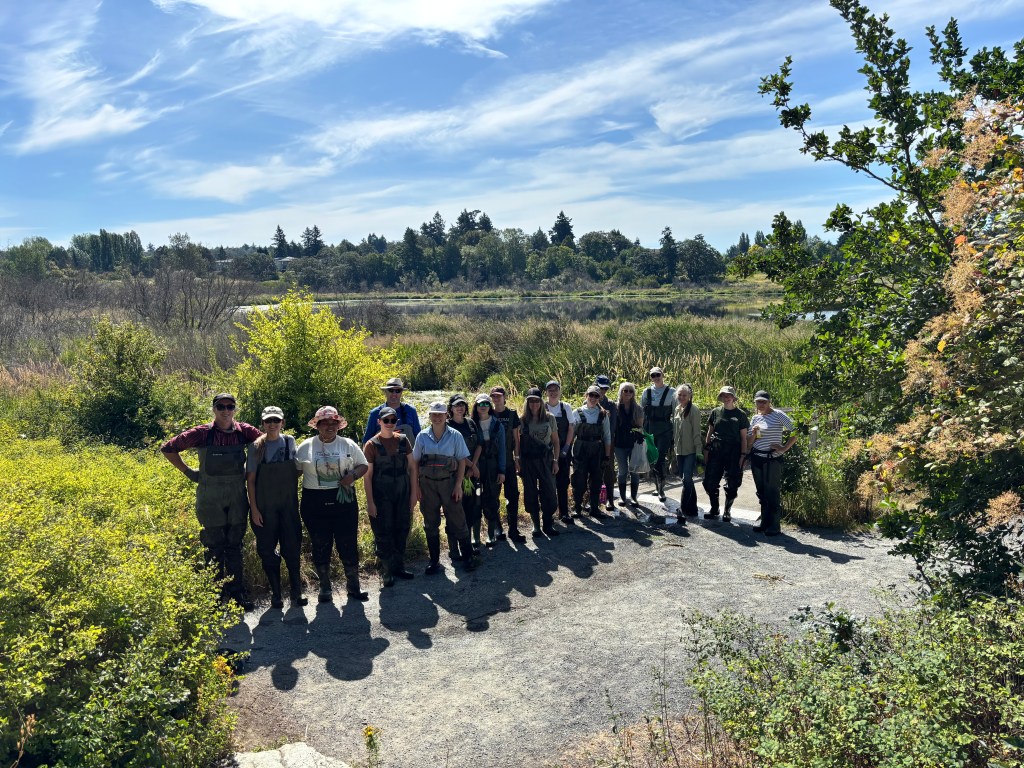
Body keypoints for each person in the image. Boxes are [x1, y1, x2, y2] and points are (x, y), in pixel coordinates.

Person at [162, 392, 261, 610]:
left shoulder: (244, 431)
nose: (226, 411)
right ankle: (214, 597)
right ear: (214, 409)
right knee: (214, 546)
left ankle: (237, 595)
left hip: (237, 495)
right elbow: (168, 448)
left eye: (230, 406)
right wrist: (188, 472)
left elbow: (266, 443)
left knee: (235, 545)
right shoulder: (202, 433)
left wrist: (253, 470)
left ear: (235, 409)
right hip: (209, 497)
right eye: (221, 407)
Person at [296, 406, 369, 602]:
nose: (329, 426)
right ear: (317, 425)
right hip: (314, 502)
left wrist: (352, 476)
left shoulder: (348, 444)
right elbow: (294, 472)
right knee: (320, 544)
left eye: (333, 423)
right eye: (325, 423)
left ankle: (353, 587)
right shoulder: (305, 447)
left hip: (344, 501)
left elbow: (364, 465)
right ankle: (324, 588)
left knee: (348, 543)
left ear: (339, 425)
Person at [245, 405, 306, 608]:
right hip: (264, 509)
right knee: (267, 552)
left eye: (276, 420)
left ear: (282, 423)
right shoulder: (255, 447)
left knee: (292, 549)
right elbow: (251, 481)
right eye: (268, 421)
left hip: (288, 507)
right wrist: (254, 509)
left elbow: (297, 470)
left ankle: (296, 593)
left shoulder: (290, 442)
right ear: (262, 423)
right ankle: (276, 594)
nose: (272, 424)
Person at [413, 401, 474, 574]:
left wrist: (458, 486)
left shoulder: (455, 435)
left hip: (449, 483)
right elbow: (415, 463)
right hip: (427, 486)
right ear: (430, 416)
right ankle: (434, 561)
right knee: (430, 523)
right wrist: (416, 486)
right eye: (434, 414)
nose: (437, 417)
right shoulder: (422, 436)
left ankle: (468, 557)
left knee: (458, 520)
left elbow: (462, 461)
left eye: (440, 414)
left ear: (446, 415)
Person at [363, 406, 418, 587]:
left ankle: (398, 566)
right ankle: (386, 570)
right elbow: (368, 476)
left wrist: (414, 494)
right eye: (386, 420)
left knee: (402, 528)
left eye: (393, 420)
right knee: (383, 531)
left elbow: (412, 468)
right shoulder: (371, 445)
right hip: (381, 494)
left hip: (402, 492)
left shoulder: (403, 441)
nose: (389, 424)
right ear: (379, 422)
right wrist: (370, 502)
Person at [746, 391, 797, 536]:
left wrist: (784, 448)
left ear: (769, 402)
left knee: (772, 492)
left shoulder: (778, 415)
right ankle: (764, 522)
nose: (761, 404)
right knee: (761, 492)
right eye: (758, 402)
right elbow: (750, 442)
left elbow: (796, 431)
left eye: (764, 402)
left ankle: (774, 526)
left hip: (772, 459)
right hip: (757, 458)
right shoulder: (755, 417)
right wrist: (754, 435)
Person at [518, 387, 561, 538]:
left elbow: (556, 442)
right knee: (530, 492)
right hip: (528, 461)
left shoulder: (550, 418)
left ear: (541, 402)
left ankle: (548, 524)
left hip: (546, 460)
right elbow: (517, 444)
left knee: (549, 492)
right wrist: (518, 462)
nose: (534, 404)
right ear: (527, 403)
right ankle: (536, 526)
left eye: (537, 401)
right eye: (531, 401)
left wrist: (555, 461)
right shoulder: (522, 421)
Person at [702, 386, 750, 522]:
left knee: (732, 483)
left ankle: (727, 511)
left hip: (733, 452)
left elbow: (744, 438)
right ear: (721, 397)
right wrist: (706, 449)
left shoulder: (740, 415)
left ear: (733, 397)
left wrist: (743, 455)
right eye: (724, 395)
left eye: (729, 395)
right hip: (716, 450)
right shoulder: (715, 412)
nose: (726, 397)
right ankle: (714, 508)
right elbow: (710, 432)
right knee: (709, 482)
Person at [489, 385, 526, 543]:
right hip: (492, 461)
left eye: (499, 396)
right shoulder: (487, 413)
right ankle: (497, 528)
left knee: (513, 495)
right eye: (494, 396)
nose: (496, 399)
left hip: (509, 460)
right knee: (493, 495)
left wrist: (517, 458)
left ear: (505, 397)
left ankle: (513, 529)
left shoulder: (511, 415)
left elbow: (516, 438)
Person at [471, 393, 507, 546]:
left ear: (490, 406)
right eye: (480, 404)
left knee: (492, 499)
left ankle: (491, 534)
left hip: (492, 467)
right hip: (477, 466)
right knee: (475, 499)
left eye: (486, 404)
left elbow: (502, 450)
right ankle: (476, 537)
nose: (483, 407)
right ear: (476, 407)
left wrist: (502, 470)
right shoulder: (471, 424)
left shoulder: (498, 425)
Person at [447, 394, 481, 554]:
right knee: (454, 510)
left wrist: (473, 467)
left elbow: (480, 445)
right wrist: (470, 467)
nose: (460, 408)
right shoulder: (448, 426)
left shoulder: (471, 423)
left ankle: (468, 544)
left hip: (472, 475)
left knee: (471, 507)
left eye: (462, 405)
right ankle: (454, 549)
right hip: (456, 476)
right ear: (451, 409)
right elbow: (455, 452)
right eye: (456, 405)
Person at [572, 385, 613, 519]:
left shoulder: (603, 414)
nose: (593, 398)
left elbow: (607, 436)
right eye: (591, 395)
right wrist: (568, 452)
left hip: (597, 450)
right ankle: (577, 508)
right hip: (580, 449)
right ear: (586, 395)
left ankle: (594, 508)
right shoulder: (576, 412)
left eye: (596, 396)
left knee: (596, 480)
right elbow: (571, 435)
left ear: (599, 398)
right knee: (579, 479)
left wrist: (607, 456)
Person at [545, 380, 577, 525]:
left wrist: (567, 447)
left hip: (563, 451)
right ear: (546, 392)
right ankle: (548, 514)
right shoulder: (541, 407)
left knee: (563, 482)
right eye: (550, 390)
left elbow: (571, 428)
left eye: (555, 389)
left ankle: (564, 513)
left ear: (559, 391)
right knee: (546, 483)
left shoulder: (566, 407)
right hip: (545, 452)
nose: (553, 392)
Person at [641, 367, 676, 502]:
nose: (656, 377)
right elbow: (642, 412)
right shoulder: (646, 392)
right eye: (653, 375)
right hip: (649, 429)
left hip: (665, 430)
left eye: (658, 374)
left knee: (660, 458)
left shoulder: (672, 392)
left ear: (663, 375)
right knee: (652, 459)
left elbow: (676, 412)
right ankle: (657, 487)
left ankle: (661, 490)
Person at [671, 385, 702, 523]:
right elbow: (676, 433)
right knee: (686, 479)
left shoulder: (694, 410)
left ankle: (683, 509)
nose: (682, 397)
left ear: (689, 396)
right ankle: (692, 508)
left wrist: (699, 452)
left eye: (685, 395)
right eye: (680, 395)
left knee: (686, 479)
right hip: (680, 451)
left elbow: (696, 432)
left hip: (690, 451)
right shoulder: (677, 409)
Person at [613, 382, 645, 506]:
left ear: (633, 394)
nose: (627, 393)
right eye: (625, 391)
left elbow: (640, 427)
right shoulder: (615, 408)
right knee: (622, 471)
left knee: (634, 471)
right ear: (621, 392)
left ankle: (633, 497)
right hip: (619, 444)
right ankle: (622, 497)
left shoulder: (638, 409)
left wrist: (638, 434)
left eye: (630, 391)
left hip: (633, 444)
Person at [363, 377, 421, 445]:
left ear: (401, 393)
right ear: (385, 392)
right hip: (381, 455)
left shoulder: (411, 411)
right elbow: (366, 442)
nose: (394, 394)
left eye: (397, 391)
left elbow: (419, 440)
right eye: (391, 390)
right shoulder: (375, 413)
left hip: (408, 455)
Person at [595, 375, 618, 510]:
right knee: (592, 470)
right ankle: (593, 500)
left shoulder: (611, 405)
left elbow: (613, 426)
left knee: (608, 470)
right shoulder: (589, 401)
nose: (603, 390)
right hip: (591, 442)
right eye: (600, 387)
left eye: (605, 388)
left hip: (607, 442)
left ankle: (610, 499)